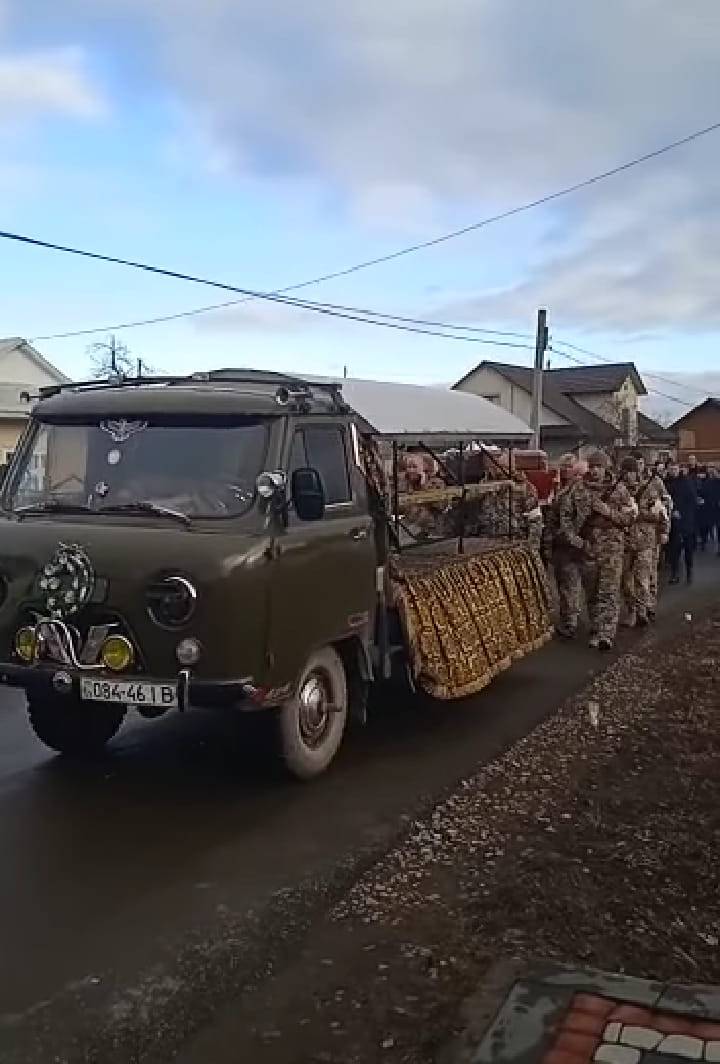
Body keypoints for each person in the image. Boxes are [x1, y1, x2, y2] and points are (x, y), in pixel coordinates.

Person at [558, 450, 636, 650]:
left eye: (598, 467)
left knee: (609, 592)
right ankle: (596, 627)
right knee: (592, 592)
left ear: (606, 467)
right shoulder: (577, 490)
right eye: (592, 467)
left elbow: (629, 518)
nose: (594, 471)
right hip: (588, 548)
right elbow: (565, 519)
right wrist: (577, 542)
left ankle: (606, 634)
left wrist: (607, 512)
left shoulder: (619, 490)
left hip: (612, 548)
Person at [621, 457, 669, 627]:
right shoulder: (620, 489)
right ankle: (631, 611)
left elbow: (662, 511)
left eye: (630, 472)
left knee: (643, 578)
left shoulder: (651, 486)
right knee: (626, 581)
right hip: (625, 541)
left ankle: (643, 610)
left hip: (645, 539)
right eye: (625, 472)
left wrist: (664, 531)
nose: (628, 476)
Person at [544, 455, 587, 639]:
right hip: (562, 543)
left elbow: (573, 520)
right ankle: (569, 618)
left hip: (570, 544)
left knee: (570, 584)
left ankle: (570, 622)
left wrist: (568, 536)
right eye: (563, 467)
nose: (565, 470)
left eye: (569, 467)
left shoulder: (577, 492)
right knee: (565, 584)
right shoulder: (563, 489)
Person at [665, 459, 697, 584]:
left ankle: (689, 571)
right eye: (671, 469)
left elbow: (692, 501)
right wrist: (672, 511)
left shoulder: (687, 482)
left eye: (675, 469)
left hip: (686, 521)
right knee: (674, 549)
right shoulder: (666, 483)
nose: (673, 471)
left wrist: (682, 513)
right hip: (673, 521)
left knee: (688, 549)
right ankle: (675, 573)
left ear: (679, 469)